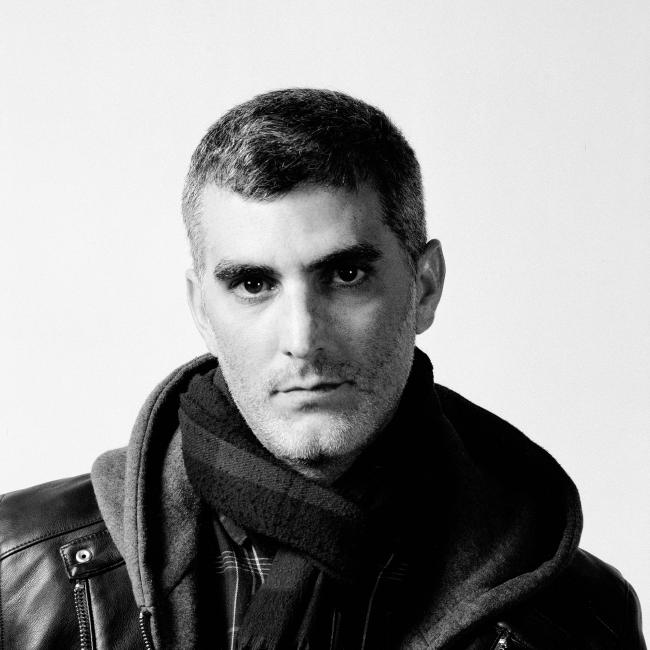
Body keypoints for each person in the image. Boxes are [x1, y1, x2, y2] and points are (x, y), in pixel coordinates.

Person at [0, 89, 645, 650]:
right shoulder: (19, 573)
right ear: (202, 309)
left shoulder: (580, 616)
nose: (302, 339)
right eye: (253, 284)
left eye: (345, 274)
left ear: (424, 287)